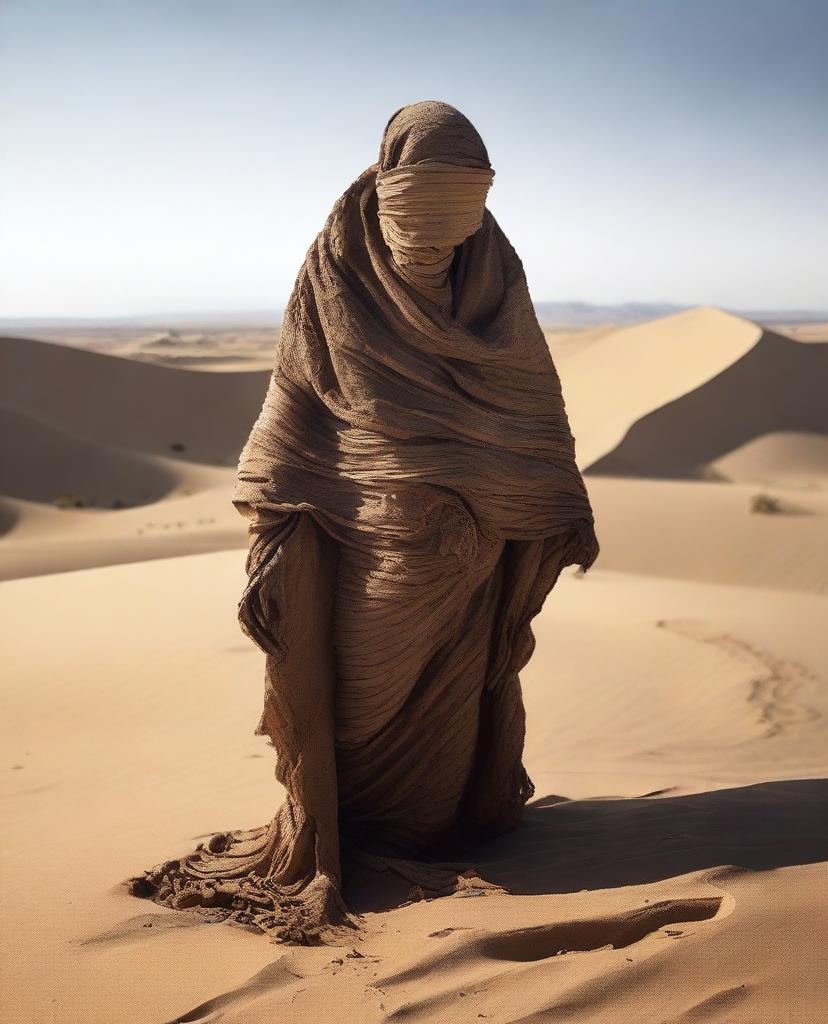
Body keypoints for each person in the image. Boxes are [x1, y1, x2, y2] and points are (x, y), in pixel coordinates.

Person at [128, 100, 598, 944]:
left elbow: (527, 401)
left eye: (461, 206)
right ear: (385, 184)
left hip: (477, 543)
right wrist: (292, 483)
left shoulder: (495, 272)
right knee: (357, 702)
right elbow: (298, 398)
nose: (437, 235)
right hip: (364, 531)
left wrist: (519, 491)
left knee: (449, 716)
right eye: (421, 205)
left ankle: (432, 836)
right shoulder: (337, 268)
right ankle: (348, 832)